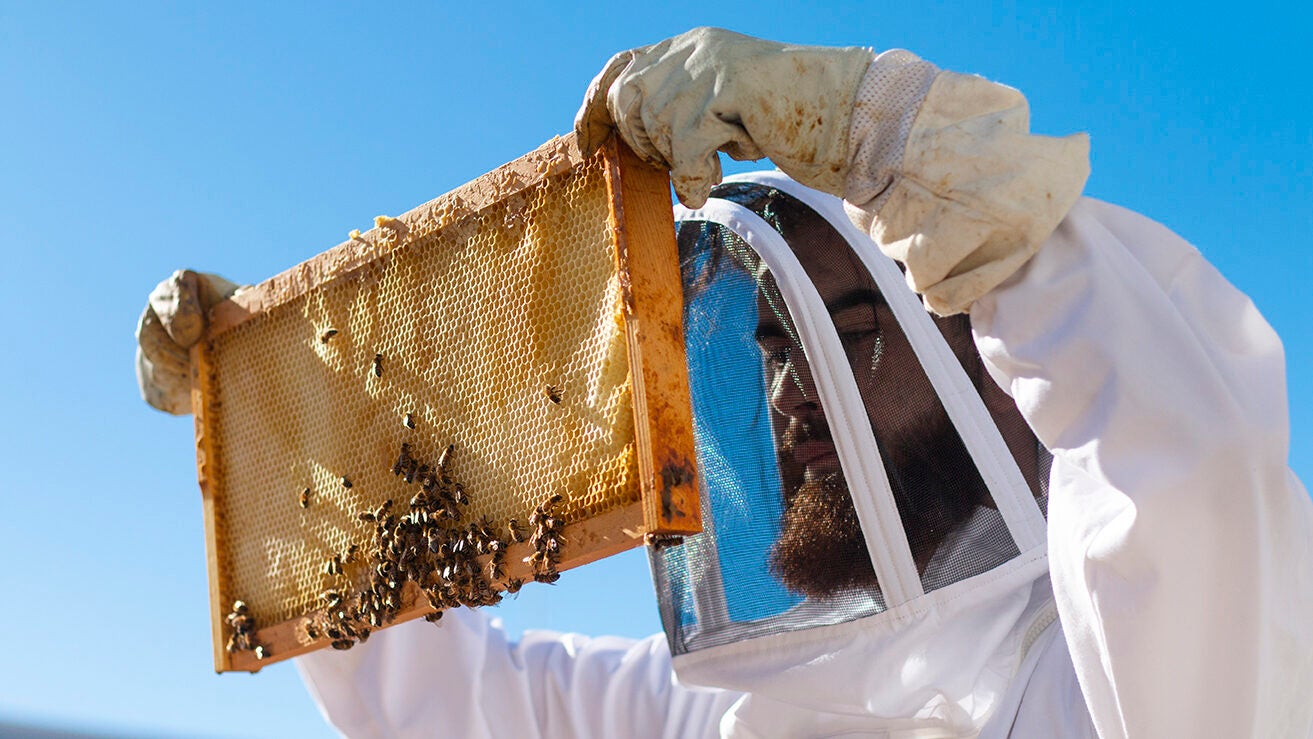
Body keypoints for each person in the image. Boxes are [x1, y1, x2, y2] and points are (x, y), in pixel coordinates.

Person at [137, 27, 1313, 738]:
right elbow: (442, 703)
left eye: (850, 331)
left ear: (999, 380)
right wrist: (284, 432)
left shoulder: (1111, 681)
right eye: (769, 346)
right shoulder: (743, 702)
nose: (791, 393)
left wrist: (915, 154)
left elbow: (1188, 473)